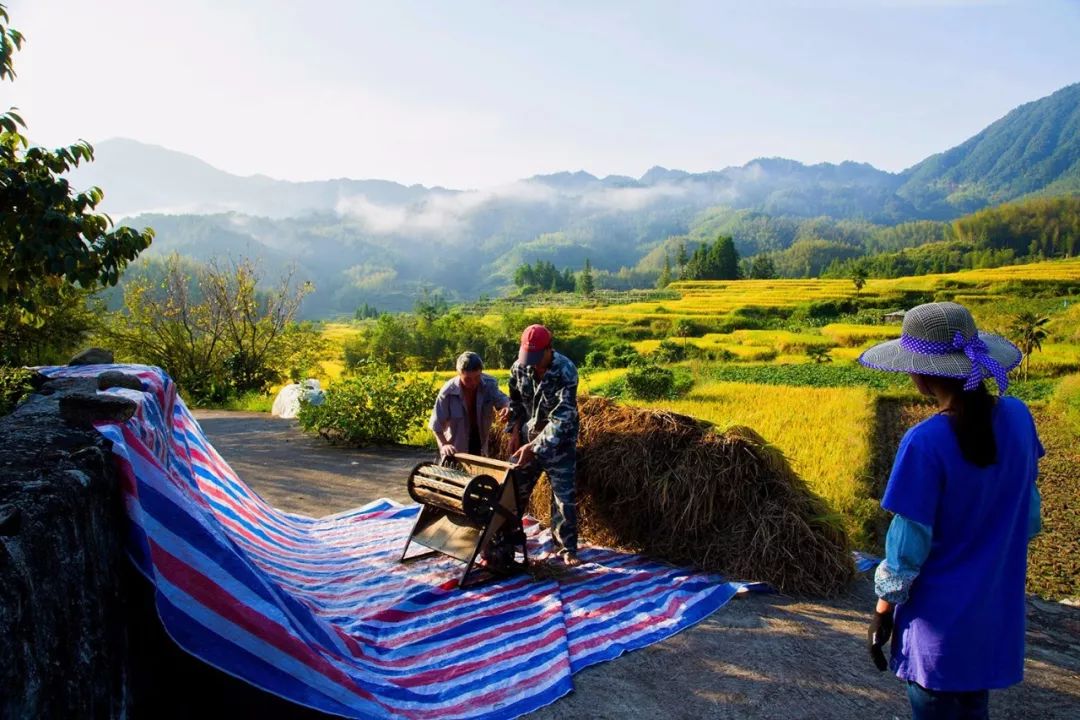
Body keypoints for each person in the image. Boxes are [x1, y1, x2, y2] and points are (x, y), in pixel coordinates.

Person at [858, 302, 1042, 720]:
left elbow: (906, 550)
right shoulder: (1018, 417)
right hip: (994, 620)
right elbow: (1028, 515)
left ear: (920, 374)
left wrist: (882, 612)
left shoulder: (924, 442)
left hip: (937, 631)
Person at [507, 324, 581, 566]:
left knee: (563, 499)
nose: (533, 364)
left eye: (538, 358)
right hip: (528, 440)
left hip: (559, 443)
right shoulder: (519, 368)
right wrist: (514, 430)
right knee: (512, 488)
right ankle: (507, 536)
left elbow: (562, 418)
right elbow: (516, 402)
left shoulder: (566, 371)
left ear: (550, 349)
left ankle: (566, 549)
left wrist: (534, 448)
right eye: (530, 358)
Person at [429, 351, 510, 460]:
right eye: (467, 379)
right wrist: (444, 445)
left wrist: (507, 406)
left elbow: (503, 399)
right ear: (459, 373)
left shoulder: (489, 384)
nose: (473, 383)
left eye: (477, 378)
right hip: (455, 450)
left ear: (481, 372)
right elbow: (436, 426)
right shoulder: (447, 393)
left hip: (480, 444)